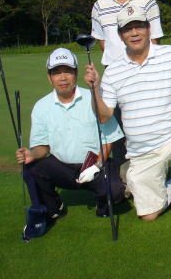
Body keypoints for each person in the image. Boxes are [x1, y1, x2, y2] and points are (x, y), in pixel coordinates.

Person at [85, 6, 171, 237]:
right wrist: (95, 89)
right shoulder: (113, 71)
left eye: (139, 26)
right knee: (149, 215)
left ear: (148, 28)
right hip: (143, 150)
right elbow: (104, 116)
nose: (134, 33)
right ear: (120, 34)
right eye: (128, 29)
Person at [15, 48, 125, 236]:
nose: (63, 77)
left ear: (76, 73)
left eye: (68, 71)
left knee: (115, 190)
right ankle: (53, 206)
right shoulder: (41, 106)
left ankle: (102, 203)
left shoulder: (94, 99)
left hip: (93, 163)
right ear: (49, 77)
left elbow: (109, 140)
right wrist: (31, 154)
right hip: (61, 166)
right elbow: (43, 147)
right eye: (56, 72)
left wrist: (97, 165)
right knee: (31, 169)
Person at [91, 0, 164, 163]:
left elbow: (155, 41)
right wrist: (119, 67)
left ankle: (152, 172)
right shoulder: (99, 6)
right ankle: (123, 177)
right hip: (114, 78)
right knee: (118, 132)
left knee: (147, 130)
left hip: (144, 76)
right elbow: (103, 42)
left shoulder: (147, 2)